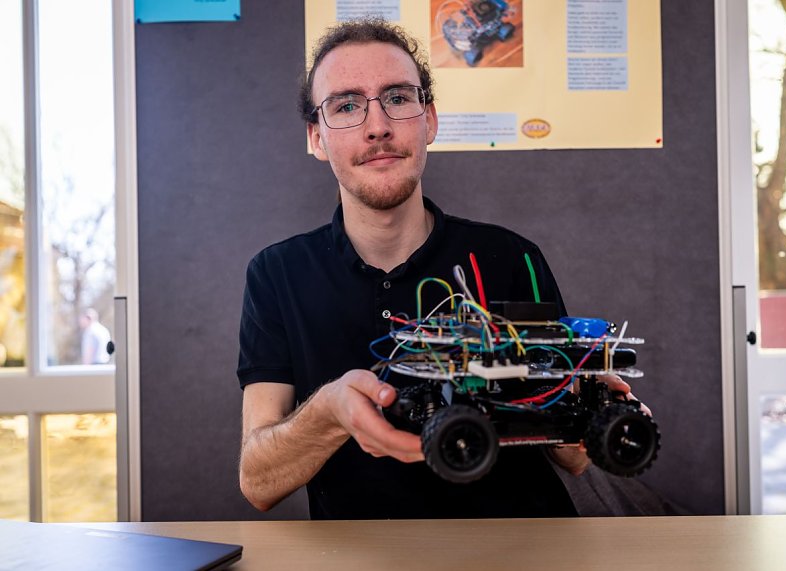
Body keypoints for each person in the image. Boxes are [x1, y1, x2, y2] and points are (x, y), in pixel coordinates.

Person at [237, 18, 646, 519]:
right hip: (363, 555)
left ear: (429, 120)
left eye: (398, 98)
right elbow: (258, 481)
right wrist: (326, 413)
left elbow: (573, 460)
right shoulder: (278, 275)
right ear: (317, 138)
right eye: (345, 106)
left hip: (519, 548)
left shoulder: (512, 257)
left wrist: (589, 405)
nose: (377, 125)